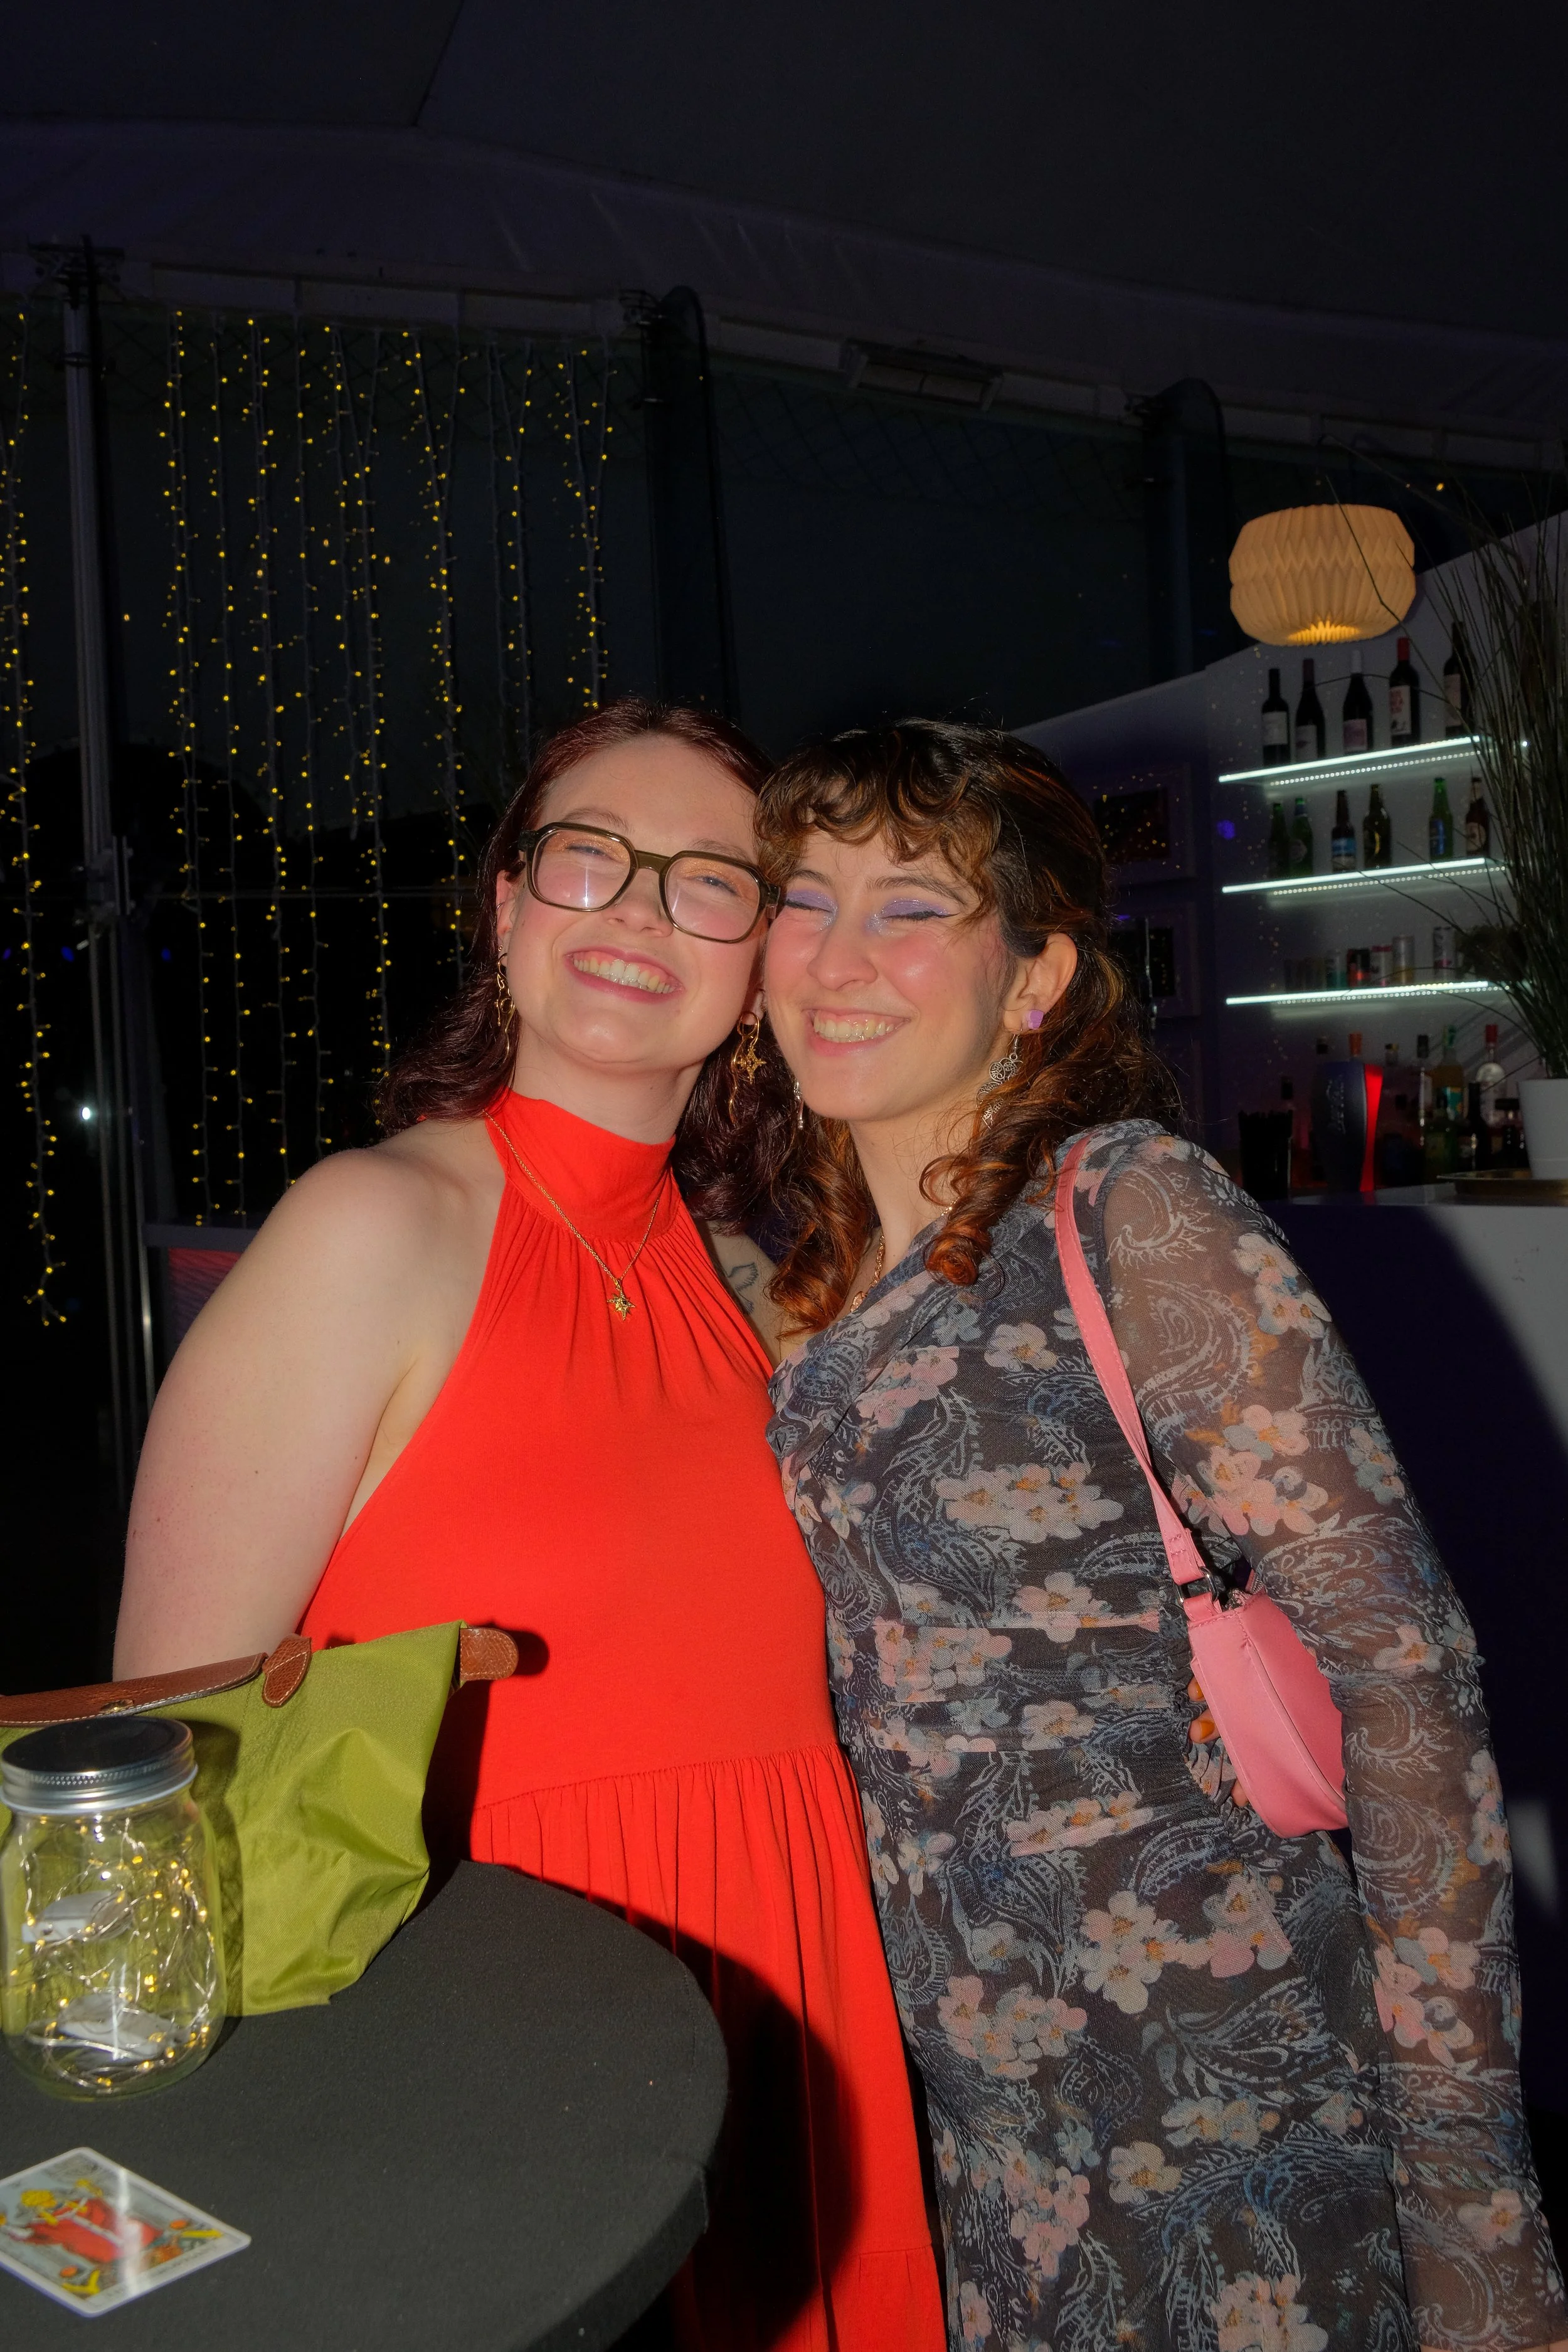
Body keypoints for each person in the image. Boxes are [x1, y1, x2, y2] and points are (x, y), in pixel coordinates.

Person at [115, 699, 945, 2352]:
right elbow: (166, 1746)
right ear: (504, 904)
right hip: (503, 2029)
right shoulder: (375, 1224)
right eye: (591, 860)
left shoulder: (756, 1282)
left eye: (709, 880)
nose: (640, 910)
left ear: (753, 965)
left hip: (786, 1986)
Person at [754, 718, 1568, 2352]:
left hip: (1229, 2092)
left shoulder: (1128, 1204)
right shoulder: (806, 1298)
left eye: (909, 904)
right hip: (989, 2142)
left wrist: (1475, 2217)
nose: (835, 956)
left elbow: (1408, 1691)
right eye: (800, 895)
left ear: (1036, 975)